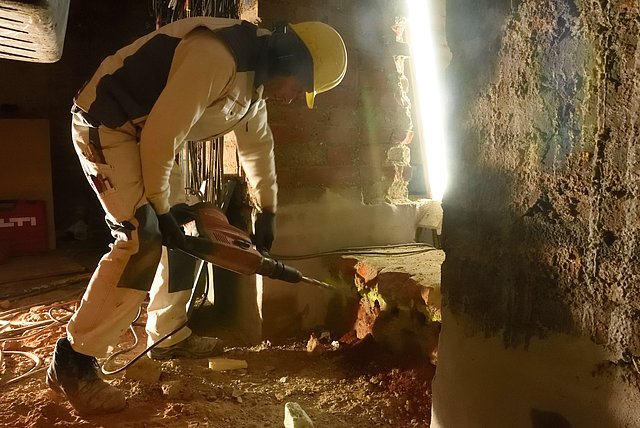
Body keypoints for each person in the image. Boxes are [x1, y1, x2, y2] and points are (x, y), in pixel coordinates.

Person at [46, 16, 347, 415]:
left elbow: (258, 147)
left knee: (190, 230)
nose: (293, 98)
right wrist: (159, 207)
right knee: (142, 237)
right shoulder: (218, 56)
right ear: (291, 60)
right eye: (299, 87)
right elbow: (162, 134)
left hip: (150, 138)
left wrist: (268, 210)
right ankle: (75, 359)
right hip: (110, 126)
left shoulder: (254, 85)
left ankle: (168, 334)